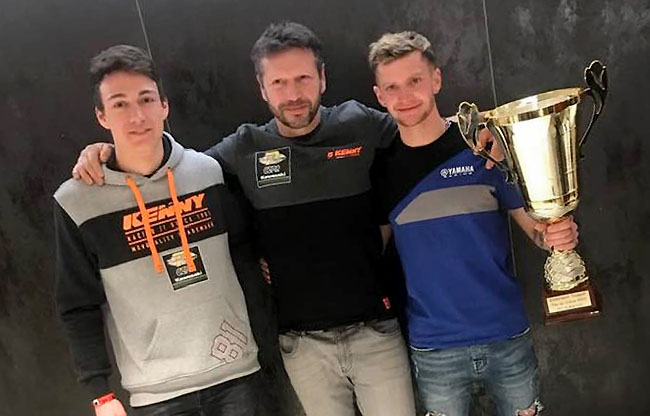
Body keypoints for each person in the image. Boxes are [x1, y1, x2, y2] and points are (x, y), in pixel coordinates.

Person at [69, 23, 421, 416]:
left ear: (322, 78)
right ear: (262, 88)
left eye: (303, 78)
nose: (293, 94)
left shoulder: (360, 123)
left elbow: (425, 131)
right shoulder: (243, 148)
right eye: (279, 82)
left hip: (377, 333)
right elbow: (170, 169)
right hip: (302, 346)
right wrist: (108, 156)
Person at [368, 31, 581, 416]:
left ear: (436, 79)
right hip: (434, 350)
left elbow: (535, 230)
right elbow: (371, 252)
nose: (404, 96)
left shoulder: (482, 147)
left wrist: (555, 234)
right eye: (392, 87)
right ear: (379, 96)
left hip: (507, 337)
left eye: (415, 81)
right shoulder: (381, 170)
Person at [54, 45, 262, 416]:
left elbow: (245, 261)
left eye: (146, 99)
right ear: (101, 115)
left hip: (237, 375)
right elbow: (77, 305)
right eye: (119, 104)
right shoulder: (78, 202)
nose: (137, 115)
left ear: (164, 105)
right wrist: (100, 393)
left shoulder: (208, 173)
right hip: (156, 395)